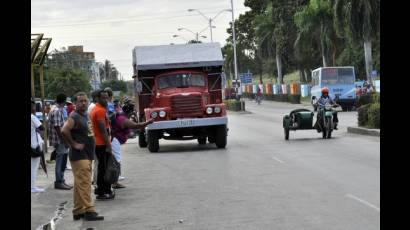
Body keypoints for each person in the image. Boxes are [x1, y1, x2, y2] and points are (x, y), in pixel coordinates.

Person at [61, 92, 104, 221]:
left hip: (87, 154)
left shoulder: (86, 114)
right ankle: (89, 210)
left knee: (80, 183)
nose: (83, 103)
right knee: (85, 183)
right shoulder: (74, 116)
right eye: (80, 101)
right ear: (75, 103)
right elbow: (64, 130)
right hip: (79, 156)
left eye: (85, 101)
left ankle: (78, 210)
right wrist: (73, 144)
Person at [110, 101, 154, 189]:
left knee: (115, 160)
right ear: (130, 111)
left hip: (115, 140)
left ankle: (115, 180)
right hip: (115, 141)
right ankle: (115, 181)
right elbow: (137, 125)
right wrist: (148, 122)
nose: (133, 112)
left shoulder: (122, 116)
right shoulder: (123, 119)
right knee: (117, 161)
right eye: (133, 111)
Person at [89, 90, 114, 200]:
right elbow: (102, 129)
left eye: (107, 98)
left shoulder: (99, 109)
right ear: (97, 99)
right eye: (103, 98)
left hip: (99, 142)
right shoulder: (99, 110)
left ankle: (102, 190)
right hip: (101, 143)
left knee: (102, 167)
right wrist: (108, 145)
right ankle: (103, 192)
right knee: (104, 168)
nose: (106, 100)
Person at [48, 93, 72, 190]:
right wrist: (64, 140)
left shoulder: (54, 108)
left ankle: (61, 180)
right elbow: (58, 127)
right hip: (60, 139)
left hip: (57, 139)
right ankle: (59, 181)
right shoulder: (57, 110)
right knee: (60, 161)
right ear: (64, 101)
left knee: (62, 160)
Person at [31, 100, 45, 193]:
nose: (34, 108)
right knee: (33, 167)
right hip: (33, 144)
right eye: (33, 106)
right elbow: (42, 127)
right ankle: (32, 186)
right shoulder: (32, 117)